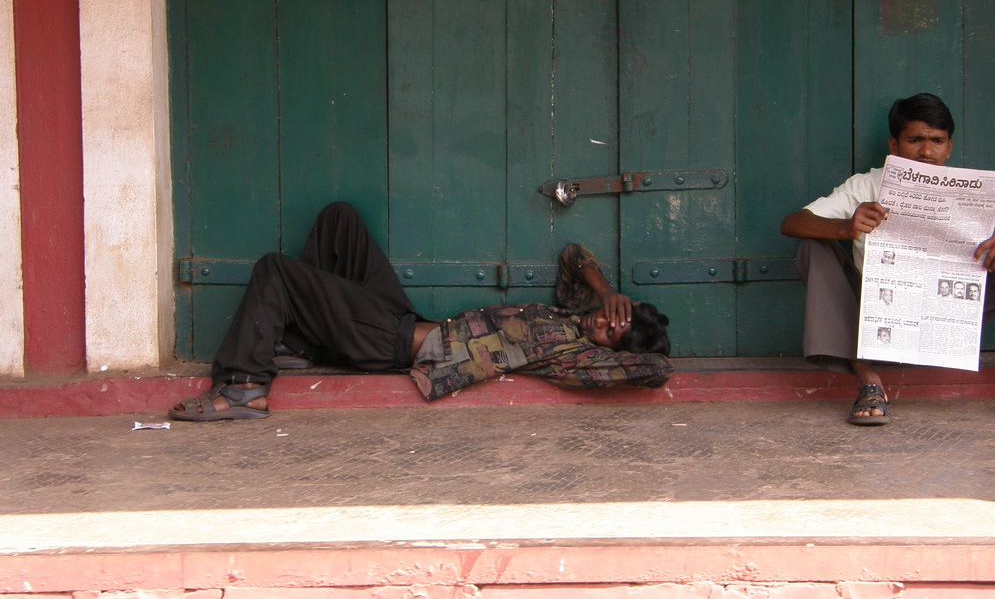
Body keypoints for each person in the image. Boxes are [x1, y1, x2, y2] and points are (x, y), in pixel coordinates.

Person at [169, 202, 672, 421]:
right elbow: (572, 255)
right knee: (338, 219)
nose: (600, 323)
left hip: (390, 343)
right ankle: (298, 343)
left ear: (609, 354)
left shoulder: (576, 359)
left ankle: (243, 387)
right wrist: (607, 291)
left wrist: (616, 340)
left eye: (609, 331)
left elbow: (654, 369)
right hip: (404, 318)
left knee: (275, 270)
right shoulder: (575, 317)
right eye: (609, 316)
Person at [779, 93, 995, 426]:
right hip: (878, 311)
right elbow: (792, 223)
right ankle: (868, 380)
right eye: (916, 140)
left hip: (953, 307)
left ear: (949, 147)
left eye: (937, 141)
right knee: (812, 244)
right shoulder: (867, 185)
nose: (927, 151)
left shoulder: (972, 189)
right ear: (894, 146)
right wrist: (844, 226)